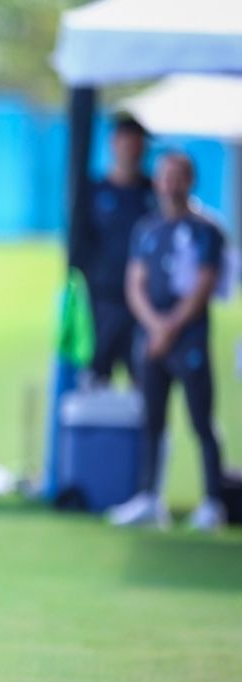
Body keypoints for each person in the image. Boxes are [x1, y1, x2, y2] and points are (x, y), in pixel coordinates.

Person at [107, 152, 227, 531]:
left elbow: (204, 285)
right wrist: (154, 325)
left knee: (201, 420)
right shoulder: (148, 228)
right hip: (152, 339)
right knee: (152, 421)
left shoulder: (207, 229)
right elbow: (135, 283)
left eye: (177, 177)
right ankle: (148, 497)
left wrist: (170, 327)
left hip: (188, 339)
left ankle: (213, 501)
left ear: (190, 181)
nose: (170, 184)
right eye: (165, 177)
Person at [75, 114, 155, 383]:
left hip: (145, 304)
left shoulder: (153, 193)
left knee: (144, 379)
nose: (132, 149)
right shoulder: (94, 192)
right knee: (96, 378)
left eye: (138, 143)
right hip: (102, 301)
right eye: (127, 141)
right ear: (114, 143)